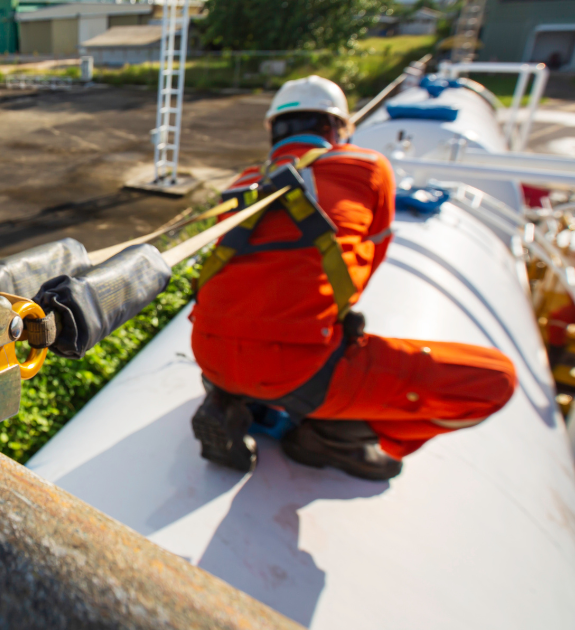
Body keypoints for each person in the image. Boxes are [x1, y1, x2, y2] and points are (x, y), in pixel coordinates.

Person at [189, 75, 517, 480]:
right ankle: (328, 436)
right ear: (338, 128)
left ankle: (230, 397)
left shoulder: (241, 186)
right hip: (302, 371)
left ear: (274, 130)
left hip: (209, 354)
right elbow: (362, 269)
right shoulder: (367, 166)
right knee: (497, 379)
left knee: (260, 343)